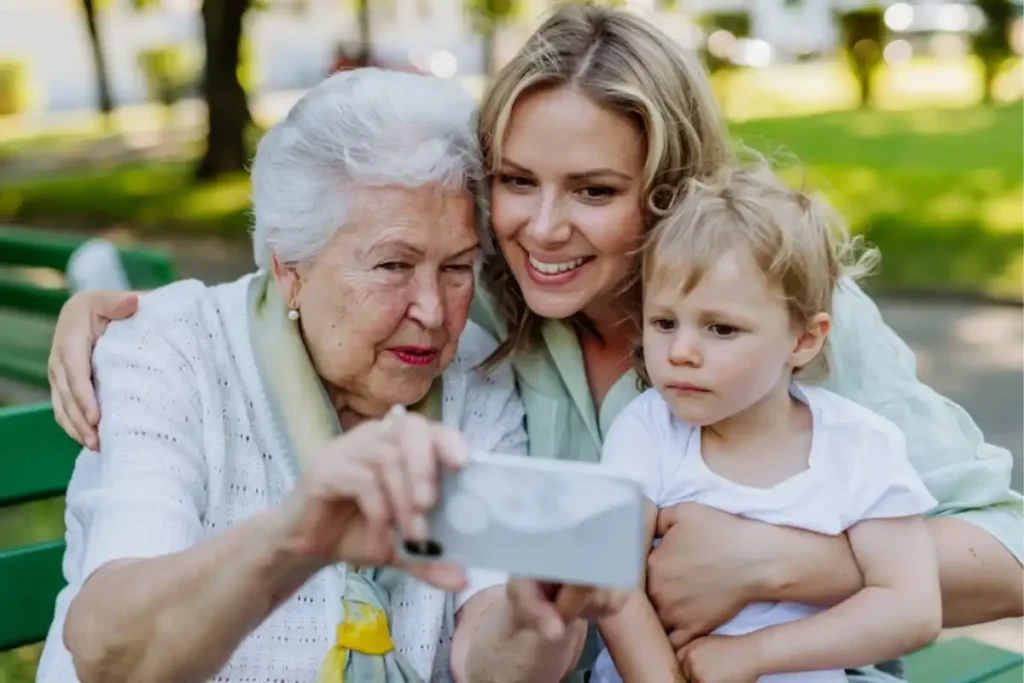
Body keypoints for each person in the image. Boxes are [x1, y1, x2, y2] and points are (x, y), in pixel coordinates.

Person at [45, 4, 1024, 681]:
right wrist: (133, 314)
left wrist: (774, 560)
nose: (542, 230)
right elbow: (330, 272)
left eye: (594, 192)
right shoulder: (485, 313)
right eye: (515, 181)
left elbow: (1008, 548)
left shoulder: (772, 316)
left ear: (666, 190)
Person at [36, 67, 627, 683]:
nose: (431, 310)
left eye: (455, 267)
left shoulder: (475, 372)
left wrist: (532, 621)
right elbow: (111, 655)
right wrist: (298, 538)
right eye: (393, 266)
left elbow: (489, 651)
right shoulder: (171, 351)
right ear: (289, 266)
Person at [596, 164, 943, 683]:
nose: (681, 352)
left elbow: (911, 607)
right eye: (664, 323)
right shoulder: (648, 431)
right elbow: (612, 588)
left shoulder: (858, 447)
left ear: (803, 339)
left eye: (720, 328)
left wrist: (753, 654)